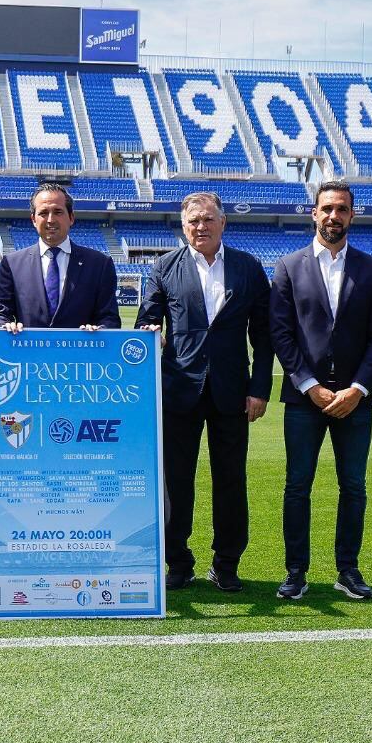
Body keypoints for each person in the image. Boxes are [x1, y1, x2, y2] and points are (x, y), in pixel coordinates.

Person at [135, 191, 272, 592]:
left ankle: (226, 563)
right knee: (176, 480)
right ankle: (177, 562)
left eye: (208, 219)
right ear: (183, 226)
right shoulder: (164, 267)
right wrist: (150, 333)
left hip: (233, 391)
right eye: (193, 221)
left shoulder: (248, 267)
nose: (200, 227)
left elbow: (263, 336)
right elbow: (148, 320)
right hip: (178, 390)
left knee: (231, 479)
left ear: (223, 222)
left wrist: (259, 388)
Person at [269, 180, 372, 601]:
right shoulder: (288, 266)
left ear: (351, 215)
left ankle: (348, 569)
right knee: (297, 486)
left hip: (355, 401)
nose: (333, 216)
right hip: (305, 400)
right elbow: (281, 335)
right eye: (326, 209)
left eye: (341, 209)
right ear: (314, 213)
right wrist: (310, 386)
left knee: (353, 486)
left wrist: (358, 387)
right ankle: (296, 571)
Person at [0, 183, 120, 331]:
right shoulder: (12, 264)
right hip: (29, 353)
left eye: (58, 212)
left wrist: (100, 329)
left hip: (80, 353)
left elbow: (110, 318)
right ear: (33, 219)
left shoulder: (99, 264)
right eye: (43, 213)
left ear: (71, 217)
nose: (50, 220)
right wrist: (3, 326)